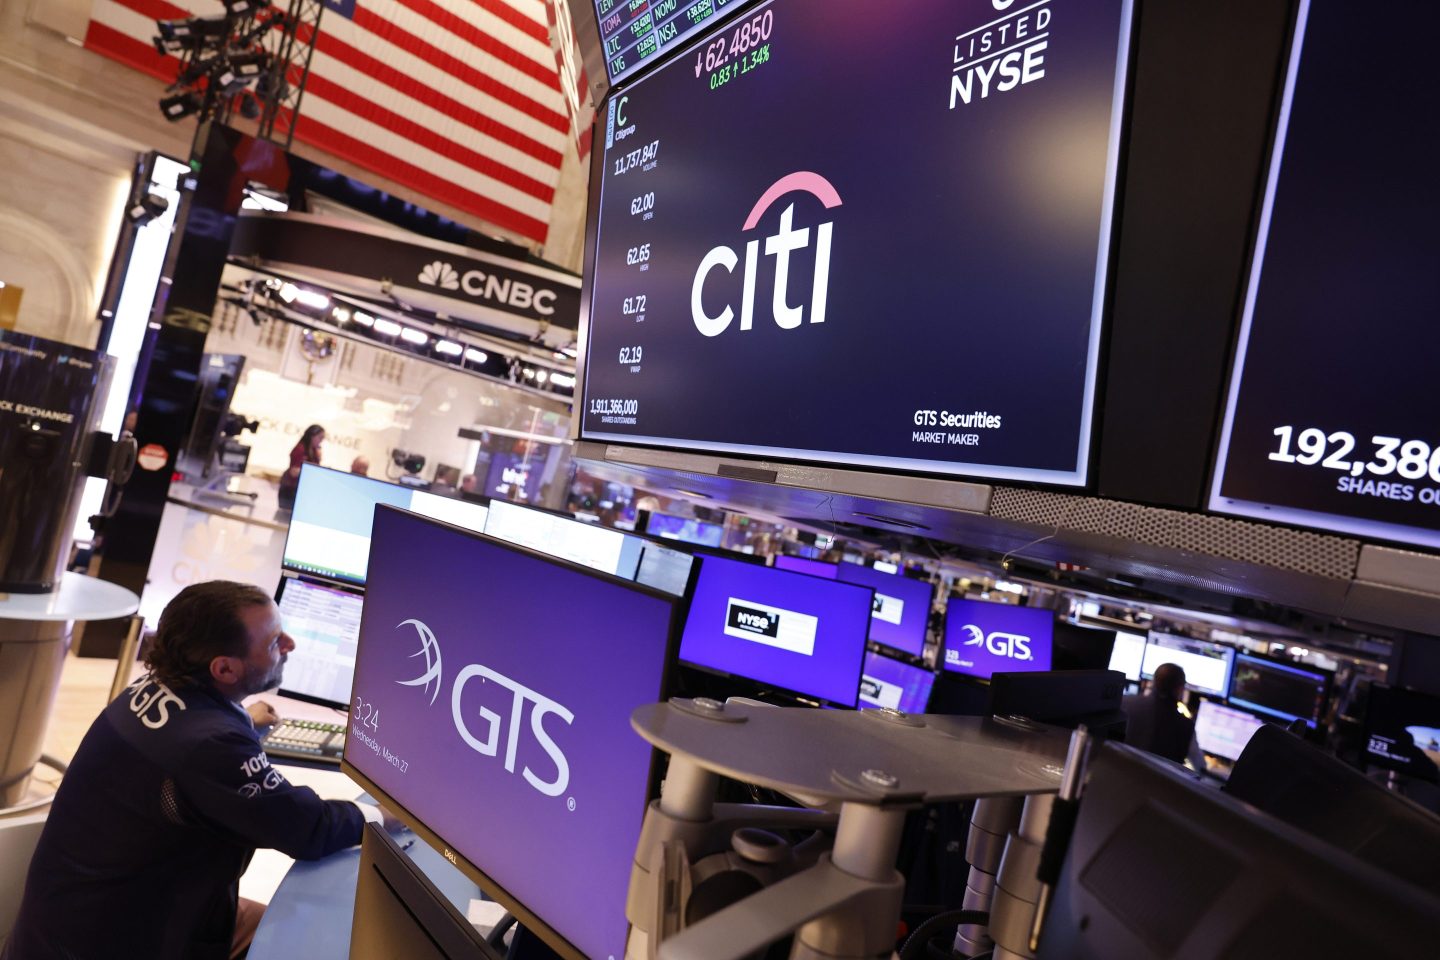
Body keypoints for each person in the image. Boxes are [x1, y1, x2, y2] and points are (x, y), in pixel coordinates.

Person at [4, 581, 381, 960]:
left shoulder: (153, 684)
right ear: (224, 668)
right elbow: (308, 827)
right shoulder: (210, 746)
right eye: (272, 642)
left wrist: (240, 723)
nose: (289, 644)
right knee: (318, 946)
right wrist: (382, 815)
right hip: (119, 943)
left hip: (74, 926)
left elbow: (185, 749)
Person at [1122, 662, 1196, 763]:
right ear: (1179, 689)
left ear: (1153, 681)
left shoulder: (1123, 703)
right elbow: (1200, 766)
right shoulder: (1185, 726)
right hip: (1152, 779)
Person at [277, 424, 325, 508]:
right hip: (291, 489)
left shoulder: (314, 451)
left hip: (301, 489)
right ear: (312, 436)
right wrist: (311, 469)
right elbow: (294, 472)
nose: (321, 441)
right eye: (320, 438)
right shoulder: (300, 449)